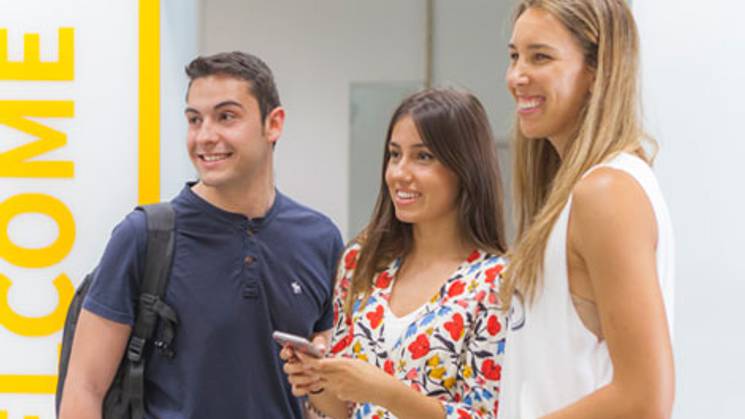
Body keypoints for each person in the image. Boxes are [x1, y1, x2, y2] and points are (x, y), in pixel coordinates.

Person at [59, 51, 343, 418]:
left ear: (273, 124)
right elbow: (84, 387)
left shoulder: (320, 239)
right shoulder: (144, 236)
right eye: (195, 119)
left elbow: (326, 397)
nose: (205, 136)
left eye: (226, 117)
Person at [282, 88, 509, 419]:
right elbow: (342, 411)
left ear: (465, 169)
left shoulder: (495, 282)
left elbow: (486, 415)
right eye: (394, 154)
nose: (400, 173)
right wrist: (318, 382)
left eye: (423, 157)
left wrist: (384, 391)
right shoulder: (361, 262)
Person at [498, 1, 675, 418]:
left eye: (540, 57)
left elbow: (645, 399)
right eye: (514, 56)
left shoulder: (607, 192)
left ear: (597, 70)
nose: (516, 76)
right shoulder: (578, 194)